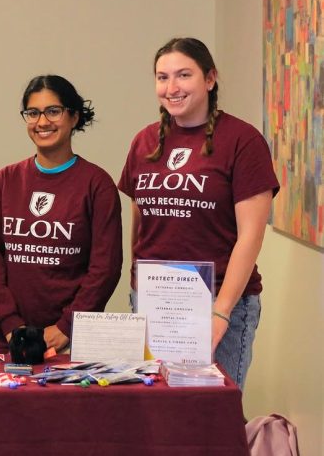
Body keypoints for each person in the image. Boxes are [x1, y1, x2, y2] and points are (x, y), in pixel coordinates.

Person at [118, 37, 279, 390]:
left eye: (183, 75)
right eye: (162, 77)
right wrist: (137, 287)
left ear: (210, 79)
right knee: (153, 418)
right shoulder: (144, 142)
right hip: (154, 305)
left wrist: (220, 314)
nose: (171, 88)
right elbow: (140, 221)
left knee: (210, 425)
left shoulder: (243, 141)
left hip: (218, 305)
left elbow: (250, 237)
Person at [0, 75, 123, 354]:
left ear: (74, 117)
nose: (42, 122)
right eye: (33, 113)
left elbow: (105, 268)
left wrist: (67, 326)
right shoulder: (4, 181)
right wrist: (10, 324)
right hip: (12, 339)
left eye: (53, 111)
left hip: (73, 339)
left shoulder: (97, 184)